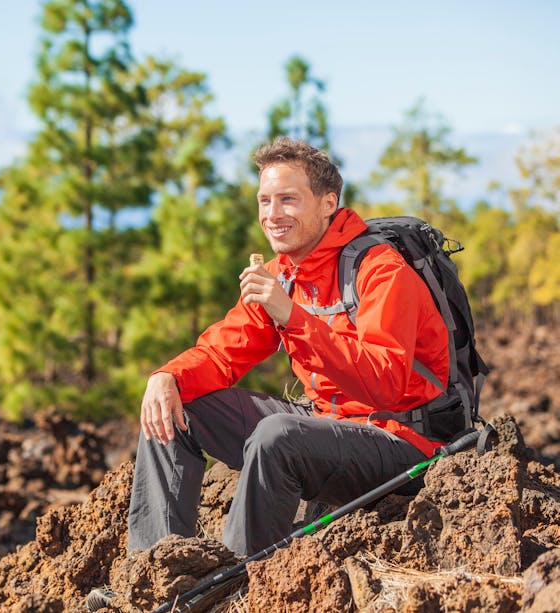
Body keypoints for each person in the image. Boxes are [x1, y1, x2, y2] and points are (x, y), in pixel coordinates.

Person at [87, 136, 450, 611]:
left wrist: (291, 314)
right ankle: (156, 576)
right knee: (178, 405)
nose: (272, 213)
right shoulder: (285, 273)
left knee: (278, 434)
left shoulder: (381, 270)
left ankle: (226, 592)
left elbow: (385, 384)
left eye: (287, 199)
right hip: (329, 422)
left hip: (403, 438)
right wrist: (168, 376)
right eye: (264, 200)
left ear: (327, 204)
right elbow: (222, 354)